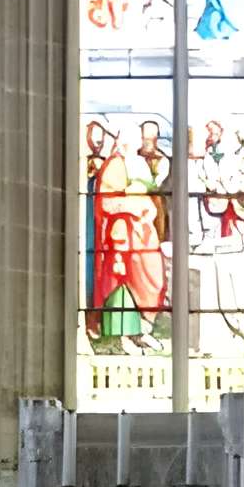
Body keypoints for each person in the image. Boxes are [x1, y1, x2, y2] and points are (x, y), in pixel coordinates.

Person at [90, 124, 167, 339]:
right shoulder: (114, 165)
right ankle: (123, 332)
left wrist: (147, 207)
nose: (139, 144)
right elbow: (107, 203)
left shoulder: (135, 162)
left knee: (153, 275)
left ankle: (145, 323)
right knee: (122, 278)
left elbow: (150, 192)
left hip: (142, 231)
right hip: (123, 233)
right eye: (135, 140)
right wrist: (132, 206)